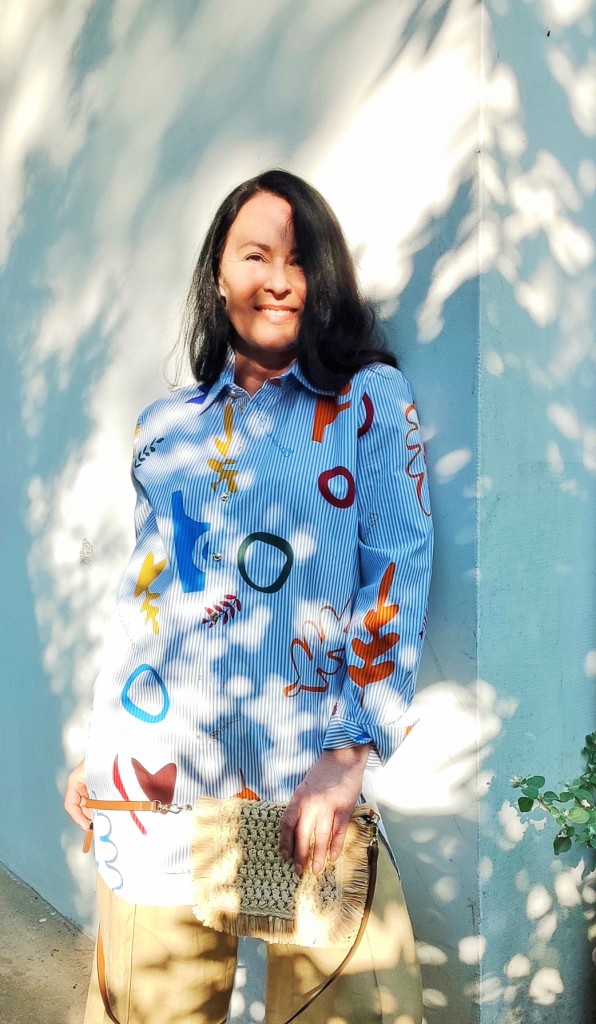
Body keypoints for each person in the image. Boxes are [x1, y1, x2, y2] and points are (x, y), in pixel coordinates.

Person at [65, 169, 433, 1024]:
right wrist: (106, 744)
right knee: (154, 1011)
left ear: (325, 278)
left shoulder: (368, 402)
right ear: (218, 275)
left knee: (351, 1007)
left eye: (299, 260)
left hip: (301, 790)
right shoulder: (168, 425)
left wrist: (348, 755)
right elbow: (147, 598)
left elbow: (396, 571)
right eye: (255, 255)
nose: (278, 279)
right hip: (161, 784)